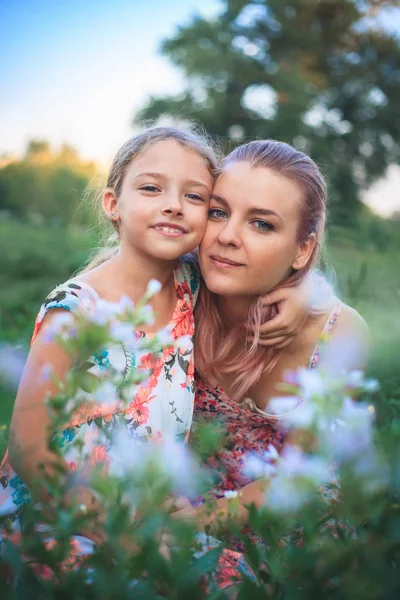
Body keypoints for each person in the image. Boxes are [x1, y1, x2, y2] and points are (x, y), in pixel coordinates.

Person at [0, 128, 308, 566]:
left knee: (235, 580)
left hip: (147, 515)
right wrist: (119, 536)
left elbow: (266, 269)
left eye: (197, 198)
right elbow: (29, 447)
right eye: (151, 188)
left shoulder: (194, 284)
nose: (173, 205)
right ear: (113, 204)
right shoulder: (76, 309)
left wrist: (302, 293)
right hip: (61, 518)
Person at [191, 139, 369, 524]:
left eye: (262, 224)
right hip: (174, 514)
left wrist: (202, 521)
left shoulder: (338, 334)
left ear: (302, 250)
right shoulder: (178, 292)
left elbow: (305, 471)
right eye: (218, 212)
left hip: (282, 536)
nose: (228, 236)